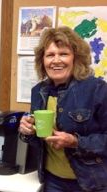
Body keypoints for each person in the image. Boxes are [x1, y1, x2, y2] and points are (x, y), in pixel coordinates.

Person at [18, 26, 107, 192]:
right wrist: (26, 131)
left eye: (63, 54)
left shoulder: (97, 90)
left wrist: (75, 142)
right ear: (42, 61)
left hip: (92, 184)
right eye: (50, 55)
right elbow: (40, 140)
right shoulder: (38, 91)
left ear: (76, 58)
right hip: (52, 181)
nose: (56, 60)